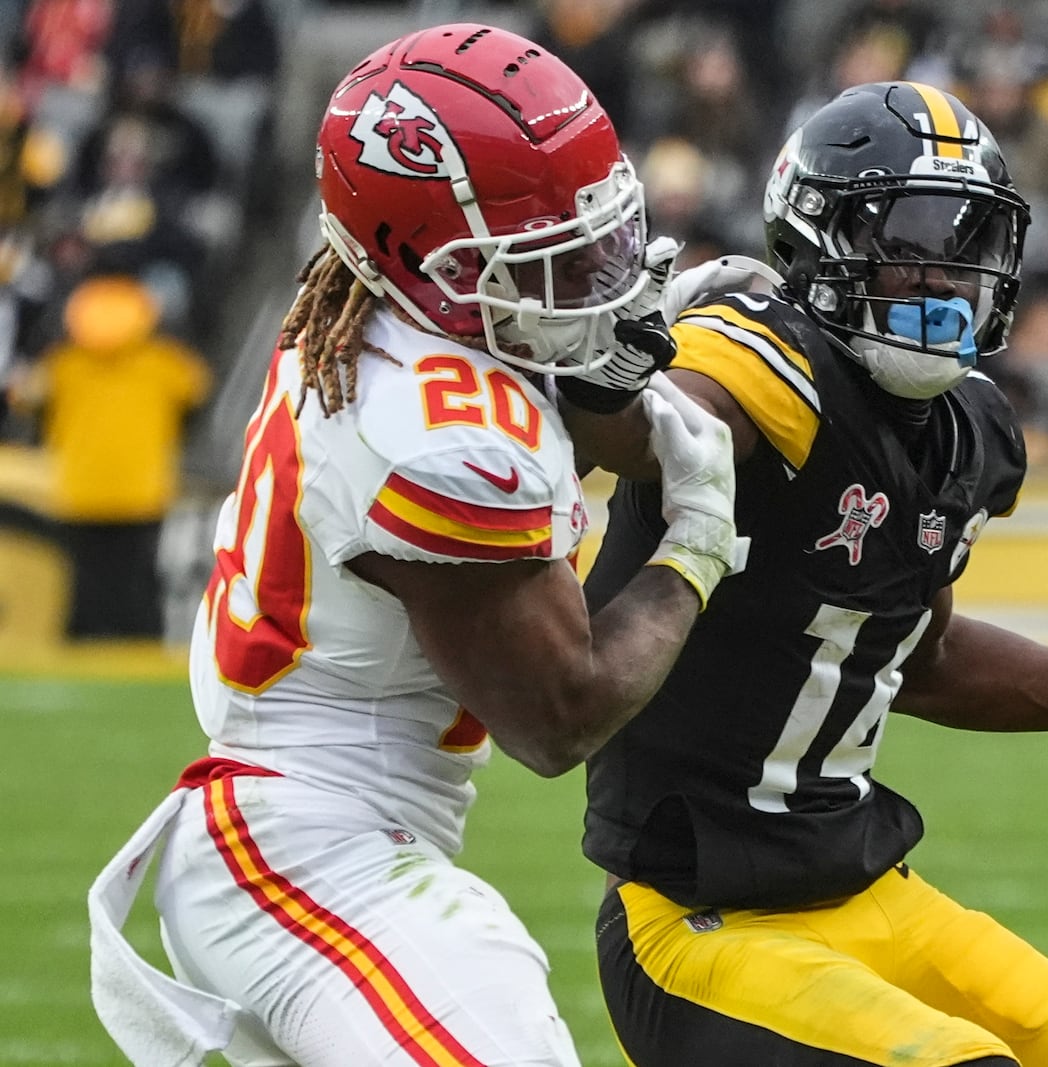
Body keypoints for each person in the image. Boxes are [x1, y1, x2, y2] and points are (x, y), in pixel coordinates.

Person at [574, 81, 1048, 1067]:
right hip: (699, 922)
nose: (944, 278)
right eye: (909, 244)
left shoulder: (969, 431)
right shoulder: (761, 365)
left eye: (968, 247)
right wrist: (618, 377)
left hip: (864, 891)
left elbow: (925, 654)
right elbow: (663, 433)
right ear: (817, 244)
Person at [87, 23, 745, 1067]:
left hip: (315, 827)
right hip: (303, 849)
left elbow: (581, 406)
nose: (592, 280)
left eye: (598, 239)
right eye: (551, 259)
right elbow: (560, 714)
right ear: (427, 257)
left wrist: (662, 365)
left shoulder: (385, 306)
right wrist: (699, 546)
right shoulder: (427, 430)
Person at [11, 271, 210, 638]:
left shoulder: (62, 365)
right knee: (137, 585)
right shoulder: (166, 363)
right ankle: (142, 651)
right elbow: (196, 401)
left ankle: (84, 651)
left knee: (86, 587)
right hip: (141, 491)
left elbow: (30, 404)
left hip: (81, 490)